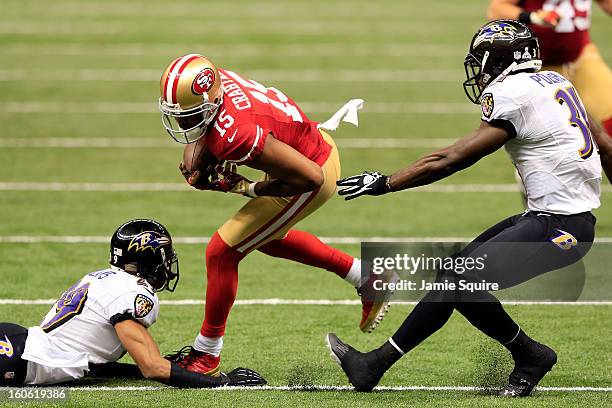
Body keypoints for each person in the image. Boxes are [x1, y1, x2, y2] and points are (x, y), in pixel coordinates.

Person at [327, 20, 601, 397]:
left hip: (559, 227)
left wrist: (387, 182)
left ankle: (528, 355)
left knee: (460, 281)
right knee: (453, 277)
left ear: (500, 59)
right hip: (553, 219)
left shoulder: (513, 92)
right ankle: (374, 366)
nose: (480, 71)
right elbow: (606, 142)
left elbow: (451, 159)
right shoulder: (557, 82)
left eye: (483, 61)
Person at [158, 55, 394, 375]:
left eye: (189, 116)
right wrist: (200, 167)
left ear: (209, 104)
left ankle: (207, 354)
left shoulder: (234, 135)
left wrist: (246, 188)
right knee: (263, 239)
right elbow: (203, 139)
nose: (184, 124)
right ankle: (365, 277)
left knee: (221, 252)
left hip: (312, 172)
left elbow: (310, 178)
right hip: (304, 147)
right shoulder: (217, 82)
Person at [0, 219, 265, 388]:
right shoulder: (133, 292)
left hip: (18, 342)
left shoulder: (100, 277)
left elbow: (94, 364)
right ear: (146, 262)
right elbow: (153, 368)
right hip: (15, 358)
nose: (166, 266)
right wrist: (222, 382)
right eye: (163, 258)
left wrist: (164, 366)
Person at [487, 0, 612, 136]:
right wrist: (533, 17)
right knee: (542, 135)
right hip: (536, 68)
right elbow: (496, 9)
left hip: (580, 56)